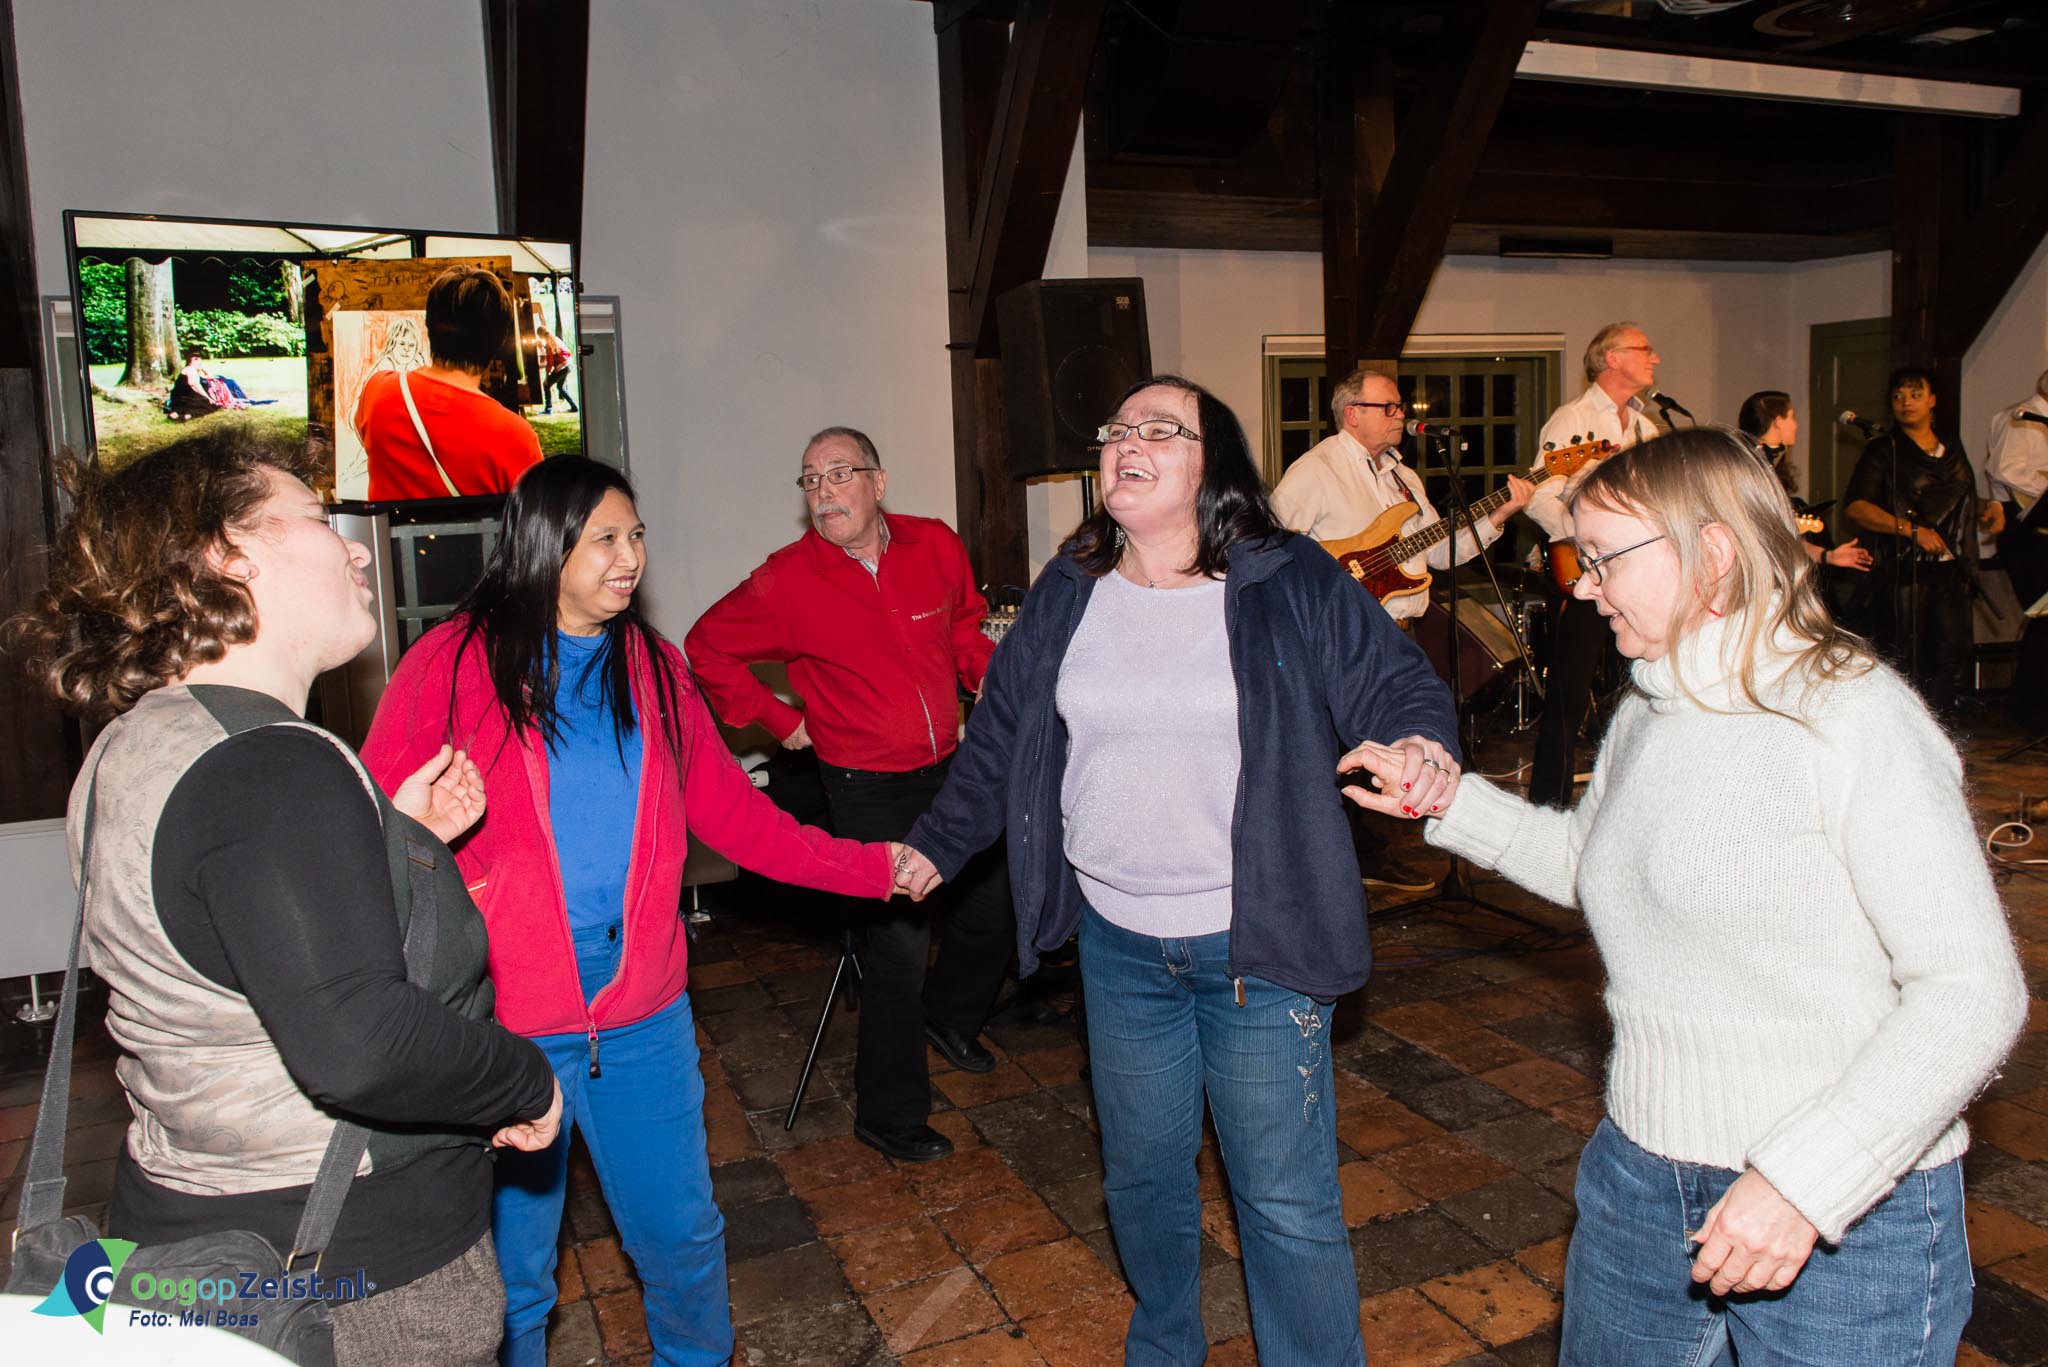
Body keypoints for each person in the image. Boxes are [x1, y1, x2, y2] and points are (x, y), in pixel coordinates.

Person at [1369, 429, 2026, 1364]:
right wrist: (1446, 798)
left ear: (1713, 553)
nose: (1581, 586)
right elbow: (1596, 868)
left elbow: (1973, 992)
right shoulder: (1650, 703)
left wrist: (1805, 1180)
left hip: (1846, 1212)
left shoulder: (1849, 716)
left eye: (1604, 560)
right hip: (1643, 1179)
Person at [893, 375, 1461, 1362]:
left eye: (1157, 427)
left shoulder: (1287, 579)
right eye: (1115, 427)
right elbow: (1000, 739)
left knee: (1281, 1201)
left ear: (1215, 464)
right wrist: (936, 843)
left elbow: (1396, 681)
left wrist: (1418, 742)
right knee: (1142, 1180)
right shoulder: (1071, 587)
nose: (1124, 439)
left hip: (1260, 942)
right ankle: (1164, 1344)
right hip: (1118, 950)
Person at [10, 424, 564, 1366]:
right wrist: (525, 1079)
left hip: (190, 1234)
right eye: (315, 518)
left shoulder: (135, 747)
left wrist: (397, 835)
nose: (356, 544)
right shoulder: (271, 769)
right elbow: (359, 1043)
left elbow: (227, 935)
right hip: (345, 1272)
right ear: (232, 556)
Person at [361, 455, 900, 1367]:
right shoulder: (450, 665)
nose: (631, 557)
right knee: (513, 1278)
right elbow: (377, 827)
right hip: (505, 1034)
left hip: (642, 1020)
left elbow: (736, 813)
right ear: (545, 544)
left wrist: (871, 868)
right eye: (606, 537)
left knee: (683, 1243)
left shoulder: (650, 665)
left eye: (637, 535)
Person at [684, 426, 1013, 1164]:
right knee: (897, 949)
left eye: (839, 474)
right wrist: (779, 719)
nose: (824, 490)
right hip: (864, 787)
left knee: (998, 900)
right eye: (810, 480)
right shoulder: (787, 578)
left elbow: (962, 623)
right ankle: (889, 1113)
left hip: (949, 767)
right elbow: (705, 645)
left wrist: (981, 667)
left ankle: (950, 1015)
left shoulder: (934, 544)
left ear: (878, 481)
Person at [1271, 363, 1531, 891]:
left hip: (1397, 633)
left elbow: (1439, 551)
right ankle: (1347, 861)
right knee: (1341, 747)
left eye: (1400, 407)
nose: (1401, 416)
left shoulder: (1403, 476)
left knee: (1388, 740)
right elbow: (1273, 546)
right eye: (1388, 407)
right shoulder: (1315, 471)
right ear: (1352, 415)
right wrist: (1335, 582)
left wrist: (1498, 515)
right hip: (1344, 637)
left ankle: (1373, 854)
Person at [1525, 321, 1664, 806]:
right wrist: (1583, 541)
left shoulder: (1648, 427)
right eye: (1643, 349)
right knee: (1569, 696)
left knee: (1635, 690)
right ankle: (1549, 804)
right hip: (1581, 574)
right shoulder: (1573, 418)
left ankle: (1627, 799)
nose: (1655, 358)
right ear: (1612, 358)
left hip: (1636, 576)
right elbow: (1538, 495)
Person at [1843, 365, 2004, 720]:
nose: (1906, 403)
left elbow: (1956, 499)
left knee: (1952, 652)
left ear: (1932, 400)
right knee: (1908, 657)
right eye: (1898, 396)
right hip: (1905, 571)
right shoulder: (1884, 451)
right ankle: (1906, 731)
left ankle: (1941, 729)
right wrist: (1910, 531)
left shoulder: (1952, 447)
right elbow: (1856, 507)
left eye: (1915, 395)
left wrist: (1988, 507)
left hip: (1951, 569)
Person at [353, 265, 543, 500]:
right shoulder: (516, 436)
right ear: (499, 339)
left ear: (429, 324)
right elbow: (533, 522)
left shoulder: (378, 390)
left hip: (386, 538)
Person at [1734, 389, 1874, 575]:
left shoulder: (1767, 462)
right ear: (1777, 421)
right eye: (1791, 417)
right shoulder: (1749, 465)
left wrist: (1829, 556)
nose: (1795, 425)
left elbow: (1788, 541)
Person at [1988, 367, 2048, 721]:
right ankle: (2032, 708)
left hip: (2037, 527)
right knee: (2042, 618)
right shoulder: (2025, 418)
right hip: (2027, 532)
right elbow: (2004, 469)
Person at [535, 320, 578, 414]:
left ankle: (548, 409)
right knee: (560, 387)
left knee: (546, 385)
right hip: (568, 364)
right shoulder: (555, 338)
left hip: (562, 367)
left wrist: (546, 377)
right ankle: (574, 407)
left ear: (540, 336)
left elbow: (549, 363)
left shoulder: (549, 345)